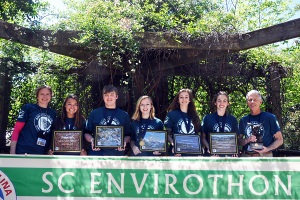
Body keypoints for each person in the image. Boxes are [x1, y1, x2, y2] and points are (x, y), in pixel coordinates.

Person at [84, 85, 131, 156]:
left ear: (116, 97)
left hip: (116, 154)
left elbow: (129, 135)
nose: (109, 97)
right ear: (103, 97)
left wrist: (123, 141)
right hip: (97, 153)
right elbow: (87, 133)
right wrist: (92, 140)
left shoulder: (124, 115)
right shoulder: (94, 113)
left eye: (112, 94)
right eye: (106, 95)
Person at [10, 85, 56, 154]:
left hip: (41, 153)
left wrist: (49, 150)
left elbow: (52, 135)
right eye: (42, 94)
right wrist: (12, 152)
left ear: (51, 96)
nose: (45, 97)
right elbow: (17, 129)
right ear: (37, 96)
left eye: (47, 94)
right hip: (23, 151)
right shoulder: (28, 108)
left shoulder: (53, 113)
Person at [238, 90, 283, 157]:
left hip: (265, 156)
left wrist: (268, 149)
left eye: (255, 99)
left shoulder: (270, 118)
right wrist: (247, 140)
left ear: (260, 102)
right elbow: (238, 142)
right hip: (247, 156)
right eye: (250, 100)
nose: (252, 102)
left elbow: (279, 140)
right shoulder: (243, 120)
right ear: (247, 102)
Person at [164, 88, 201, 156]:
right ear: (178, 100)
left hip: (192, 152)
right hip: (177, 152)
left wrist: (199, 150)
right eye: (181, 97)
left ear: (189, 100)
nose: (184, 99)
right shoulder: (172, 114)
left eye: (186, 97)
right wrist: (174, 145)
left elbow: (197, 135)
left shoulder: (195, 116)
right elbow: (167, 135)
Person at [201, 91, 239, 157]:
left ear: (228, 103)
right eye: (219, 101)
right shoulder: (208, 118)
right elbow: (203, 137)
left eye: (224, 101)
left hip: (227, 156)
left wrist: (234, 151)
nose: (222, 103)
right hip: (212, 156)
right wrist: (209, 147)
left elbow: (235, 139)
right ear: (215, 103)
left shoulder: (233, 119)